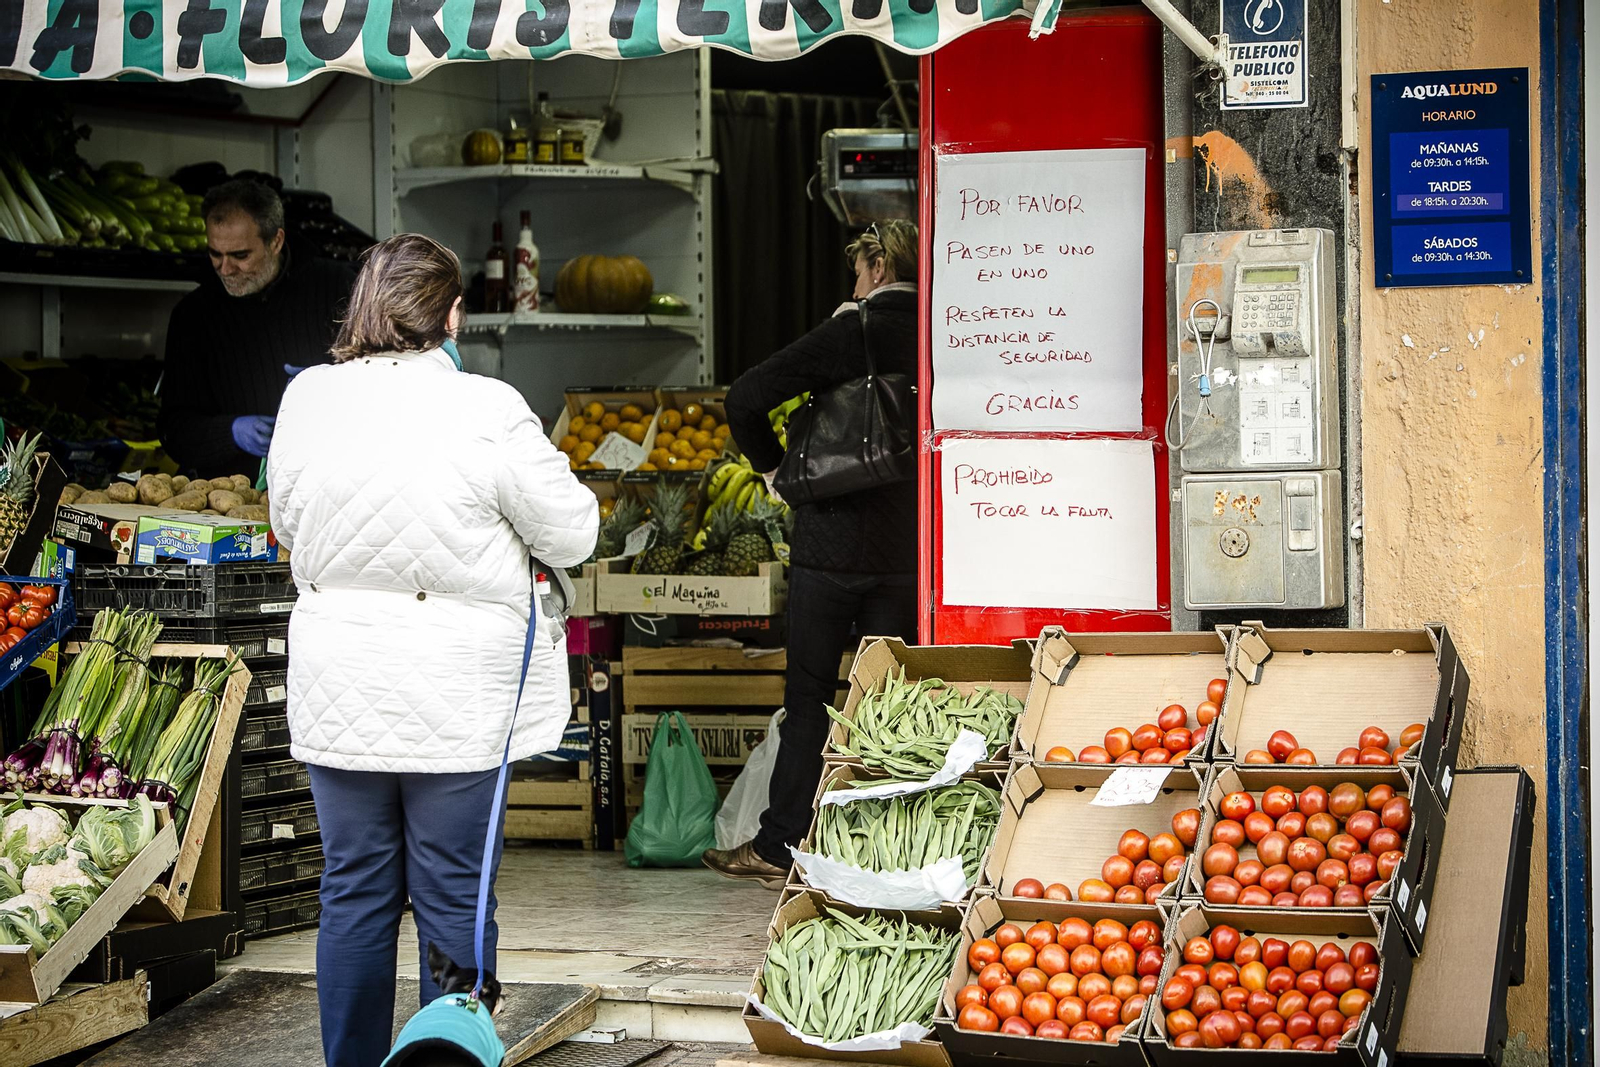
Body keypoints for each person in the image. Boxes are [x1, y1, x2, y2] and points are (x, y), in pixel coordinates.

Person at [266, 233, 598, 1067]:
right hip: (457, 701)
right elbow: (574, 529)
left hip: (338, 691)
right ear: (450, 313)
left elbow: (285, 524)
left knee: (353, 891)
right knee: (453, 895)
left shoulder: (308, 398)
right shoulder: (485, 406)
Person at [704, 219, 921, 887]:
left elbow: (744, 399)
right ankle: (890, 843)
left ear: (878, 266)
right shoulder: (943, 333)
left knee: (809, 701)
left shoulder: (850, 330)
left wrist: (775, 474)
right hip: (907, 552)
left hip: (828, 551)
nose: (855, 282)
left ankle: (779, 846)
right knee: (895, 699)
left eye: (859, 269)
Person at [159, 179, 355, 477]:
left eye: (240, 256)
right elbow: (173, 429)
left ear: (276, 242)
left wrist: (326, 384)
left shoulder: (338, 287)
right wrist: (229, 432)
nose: (225, 269)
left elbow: (384, 383)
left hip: (328, 483)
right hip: (232, 495)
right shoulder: (192, 315)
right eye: (215, 254)